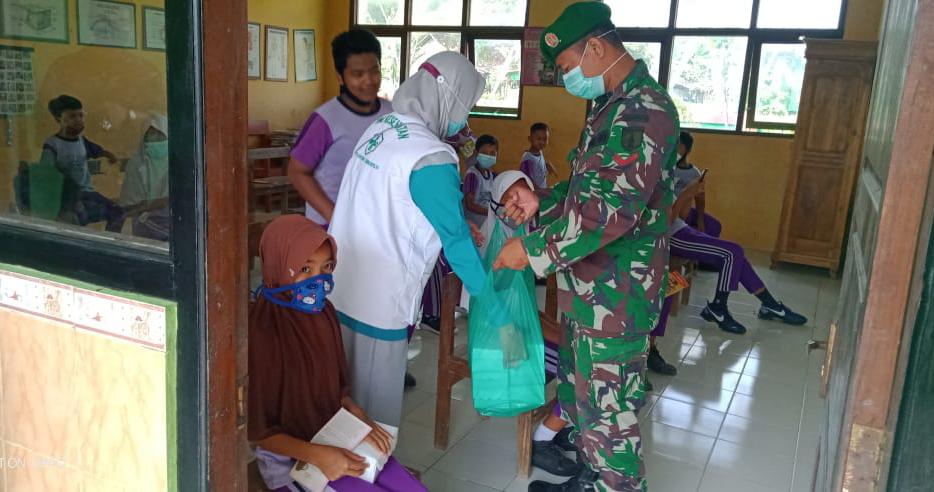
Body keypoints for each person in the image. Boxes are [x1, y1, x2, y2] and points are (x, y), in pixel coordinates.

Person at [492, 3, 679, 490]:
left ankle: (616, 484)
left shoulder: (643, 111)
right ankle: (594, 478)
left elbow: (607, 210)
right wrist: (540, 201)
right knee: (582, 396)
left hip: (617, 295)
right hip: (590, 286)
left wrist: (530, 251)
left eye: (567, 67)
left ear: (597, 48)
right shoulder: (610, 105)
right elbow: (584, 192)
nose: (566, 79)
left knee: (609, 413)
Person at [327, 51, 532, 428]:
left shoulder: (381, 129)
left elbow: (385, 205)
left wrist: (444, 225)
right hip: (379, 304)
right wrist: (502, 321)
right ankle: (372, 482)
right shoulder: (431, 155)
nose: (464, 120)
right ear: (448, 96)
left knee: (339, 400)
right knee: (373, 419)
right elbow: (457, 245)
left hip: (338, 289)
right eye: (466, 105)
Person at [248, 215, 426, 492]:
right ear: (279, 266)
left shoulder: (324, 313)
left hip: (332, 435)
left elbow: (336, 392)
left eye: (326, 267)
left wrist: (362, 419)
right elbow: (260, 432)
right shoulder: (264, 330)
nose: (318, 281)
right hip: (289, 462)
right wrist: (320, 456)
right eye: (305, 269)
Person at [669, 131, 808, 334]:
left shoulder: (678, 171)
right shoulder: (657, 174)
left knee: (735, 254)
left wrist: (691, 196)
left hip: (680, 227)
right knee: (733, 253)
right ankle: (719, 307)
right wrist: (687, 193)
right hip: (669, 235)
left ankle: (768, 305)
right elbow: (667, 218)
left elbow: (681, 213)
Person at [288, 29, 392, 227]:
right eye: (358, 74)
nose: (369, 81)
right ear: (340, 77)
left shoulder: (392, 114)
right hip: (329, 228)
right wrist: (334, 215)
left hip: (376, 226)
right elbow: (297, 172)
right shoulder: (325, 120)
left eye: (374, 71)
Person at [41, 95, 125, 232]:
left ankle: (109, 244)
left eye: (81, 115)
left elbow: (98, 151)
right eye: (73, 116)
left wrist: (109, 155)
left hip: (87, 193)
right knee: (75, 221)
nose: (78, 120)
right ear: (58, 119)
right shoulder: (52, 145)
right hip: (66, 198)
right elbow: (46, 174)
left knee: (118, 213)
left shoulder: (82, 141)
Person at [119, 114, 170, 241]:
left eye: (160, 135)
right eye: (151, 135)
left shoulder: (177, 162)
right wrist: (146, 208)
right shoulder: (136, 164)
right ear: (144, 138)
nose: (156, 140)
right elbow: (131, 201)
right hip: (144, 219)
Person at [463, 134, 499, 228]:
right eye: (484, 152)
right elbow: (470, 205)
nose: (488, 156)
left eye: (492, 153)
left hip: (487, 220)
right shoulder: (472, 175)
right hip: (476, 225)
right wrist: (491, 212)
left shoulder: (492, 175)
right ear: (476, 153)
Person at [519, 122, 558, 191]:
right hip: (533, 194)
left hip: (541, 192)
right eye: (538, 139)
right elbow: (526, 179)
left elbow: (538, 166)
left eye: (545, 139)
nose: (542, 142)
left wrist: (547, 165)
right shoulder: (527, 159)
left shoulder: (539, 152)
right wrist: (541, 191)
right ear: (530, 139)